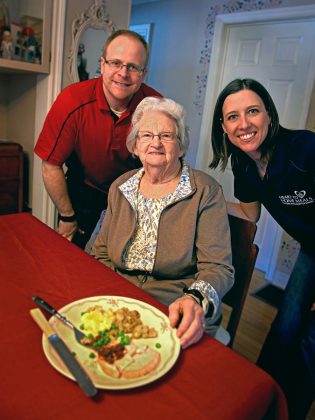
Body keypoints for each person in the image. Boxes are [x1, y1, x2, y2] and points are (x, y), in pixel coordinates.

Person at [92, 96, 234, 349]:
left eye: (167, 136)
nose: (155, 143)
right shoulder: (120, 186)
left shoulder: (205, 191)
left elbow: (219, 268)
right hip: (118, 296)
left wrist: (194, 298)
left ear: (181, 147)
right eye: (146, 135)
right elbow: (101, 251)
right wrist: (109, 290)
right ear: (135, 146)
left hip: (174, 303)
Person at [210, 78, 315, 419]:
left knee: (311, 340)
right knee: (286, 325)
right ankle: (261, 398)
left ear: (268, 113)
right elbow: (249, 212)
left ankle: (290, 412)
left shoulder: (304, 148)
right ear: (224, 128)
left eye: (252, 111)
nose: (244, 124)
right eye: (233, 117)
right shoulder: (243, 164)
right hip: (311, 250)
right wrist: (201, 199)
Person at [34, 29, 162, 248]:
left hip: (133, 197)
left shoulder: (156, 106)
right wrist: (67, 217)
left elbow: (166, 168)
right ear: (102, 65)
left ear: (143, 73)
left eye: (133, 67)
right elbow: (50, 165)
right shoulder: (71, 100)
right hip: (84, 193)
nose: (123, 73)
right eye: (115, 63)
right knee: (71, 263)